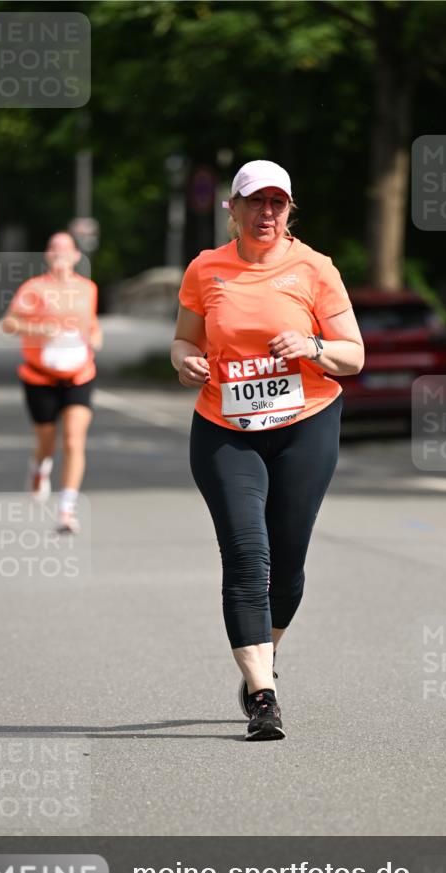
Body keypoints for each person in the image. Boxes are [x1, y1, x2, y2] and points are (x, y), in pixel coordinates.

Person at [172, 160, 364, 741]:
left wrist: (310, 345)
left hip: (306, 423)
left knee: (288, 561)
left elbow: (353, 357)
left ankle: (265, 653)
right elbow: (184, 339)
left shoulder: (314, 268)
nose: (267, 214)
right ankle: (262, 694)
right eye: (255, 202)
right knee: (247, 556)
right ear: (232, 208)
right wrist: (184, 361)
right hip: (225, 428)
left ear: (290, 211)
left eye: (278, 203)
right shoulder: (207, 270)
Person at [1, 232, 102, 533]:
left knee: (73, 439)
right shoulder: (34, 288)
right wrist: (38, 327)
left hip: (79, 373)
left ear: (75, 256)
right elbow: (8, 323)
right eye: (53, 248)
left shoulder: (88, 289)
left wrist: (95, 337)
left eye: (65, 249)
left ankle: (66, 510)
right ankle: (39, 468)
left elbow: (92, 324)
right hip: (39, 375)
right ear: (47, 255)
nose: (59, 254)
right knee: (46, 441)